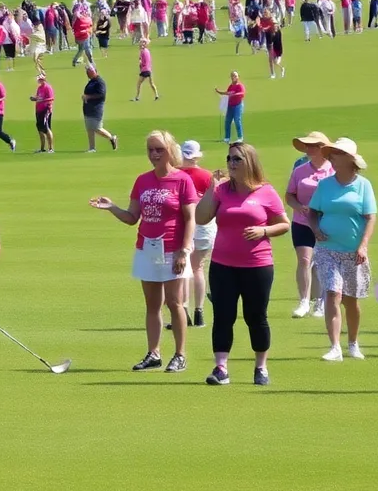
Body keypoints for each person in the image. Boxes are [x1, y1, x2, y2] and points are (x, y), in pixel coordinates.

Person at [90, 131, 197, 373]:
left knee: (175, 302)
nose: (154, 154)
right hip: (147, 248)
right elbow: (132, 218)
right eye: (150, 150)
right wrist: (111, 207)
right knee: (152, 305)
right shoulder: (143, 181)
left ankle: (180, 354)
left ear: (170, 150)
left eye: (159, 149)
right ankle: (154, 353)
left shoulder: (182, 180)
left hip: (173, 249)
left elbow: (190, 218)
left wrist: (184, 250)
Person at [195, 142, 288, 386]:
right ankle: (221, 368)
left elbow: (284, 224)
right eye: (229, 159)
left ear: (249, 162)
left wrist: (264, 231)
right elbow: (201, 217)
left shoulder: (265, 192)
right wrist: (211, 188)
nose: (231, 163)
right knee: (223, 316)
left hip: (257, 265)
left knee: (255, 316)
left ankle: (261, 367)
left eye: (237, 159)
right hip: (223, 264)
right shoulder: (221, 190)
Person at [307, 138, 376, 362]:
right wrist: (316, 229)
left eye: (336, 154)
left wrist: (363, 245)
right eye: (332, 154)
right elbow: (313, 212)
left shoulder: (363, 185)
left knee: (351, 300)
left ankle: (353, 343)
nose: (331, 158)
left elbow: (370, 217)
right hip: (327, 249)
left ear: (349, 159)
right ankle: (335, 346)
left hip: (353, 251)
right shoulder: (325, 185)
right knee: (332, 293)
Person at [286, 132, 334, 319]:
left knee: (321, 262)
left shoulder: (332, 170)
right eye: (308, 146)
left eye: (314, 146)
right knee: (305, 260)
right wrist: (299, 207)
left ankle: (321, 302)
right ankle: (304, 300)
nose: (309, 149)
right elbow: (290, 195)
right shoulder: (300, 170)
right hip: (301, 222)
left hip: (325, 222)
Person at [174, 141, 214, 330]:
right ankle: (199, 312)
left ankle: (183, 311)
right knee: (198, 268)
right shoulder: (207, 176)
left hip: (185, 225)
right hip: (205, 225)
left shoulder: (177, 175)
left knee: (184, 271)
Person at [82, 63, 116, 153]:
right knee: (89, 129)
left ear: (93, 71)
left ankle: (111, 138)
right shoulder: (91, 82)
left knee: (97, 128)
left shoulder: (99, 82)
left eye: (88, 72)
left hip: (96, 108)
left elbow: (101, 94)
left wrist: (88, 97)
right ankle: (92, 148)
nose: (87, 74)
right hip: (88, 109)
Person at [217, 72, 246, 144]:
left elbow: (242, 93)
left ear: (238, 77)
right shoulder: (230, 86)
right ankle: (227, 137)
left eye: (235, 76)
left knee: (237, 120)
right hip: (230, 105)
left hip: (237, 105)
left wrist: (235, 94)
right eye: (233, 76)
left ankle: (240, 137)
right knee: (227, 121)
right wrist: (219, 92)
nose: (234, 77)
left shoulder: (240, 86)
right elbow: (227, 93)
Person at [31, 74, 55, 154]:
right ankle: (42, 148)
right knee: (40, 128)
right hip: (39, 110)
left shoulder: (48, 87)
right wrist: (34, 98)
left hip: (46, 109)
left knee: (46, 127)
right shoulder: (39, 88)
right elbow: (38, 97)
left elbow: (51, 98)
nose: (39, 81)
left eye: (40, 79)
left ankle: (51, 148)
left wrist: (42, 100)